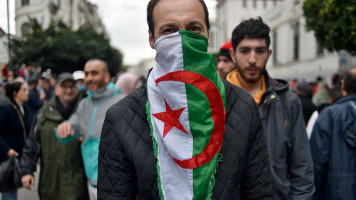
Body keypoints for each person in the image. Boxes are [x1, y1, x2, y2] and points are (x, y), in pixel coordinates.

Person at [98, 0, 273, 199]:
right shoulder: (121, 117)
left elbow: (259, 192)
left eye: (194, 28)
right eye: (169, 30)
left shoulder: (242, 106)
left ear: (208, 35)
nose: (182, 39)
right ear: (151, 38)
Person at [226, 17, 314, 199]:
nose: (252, 59)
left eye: (259, 51)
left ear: (269, 53)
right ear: (233, 54)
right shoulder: (214, 100)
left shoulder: (288, 102)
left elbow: (302, 168)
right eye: (245, 51)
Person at [56, 59, 124, 200]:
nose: (89, 78)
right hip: (91, 182)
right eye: (86, 74)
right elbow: (71, 130)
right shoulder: (84, 104)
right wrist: (63, 129)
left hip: (116, 184)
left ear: (106, 76)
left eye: (94, 73)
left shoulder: (122, 101)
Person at [20, 73, 88, 200]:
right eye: (64, 86)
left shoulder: (87, 113)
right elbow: (31, 145)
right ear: (56, 89)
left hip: (79, 187)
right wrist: (27, 171)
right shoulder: (43, 115)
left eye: (72, 86)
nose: (68, 90)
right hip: (49, 185)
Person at [310, 67, 356, 200]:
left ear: (343, 86)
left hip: (337, 192)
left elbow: (318, 162)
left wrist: (315, 194)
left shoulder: (329, 115)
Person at [0, 81, 31, 200]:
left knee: (14, 187)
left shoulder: (24, 108)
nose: (27, 93)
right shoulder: (6, 109)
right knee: (9, 189)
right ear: (15, 93)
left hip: (19, 154)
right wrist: (7, 150)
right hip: (9, 156)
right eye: (24, 90)